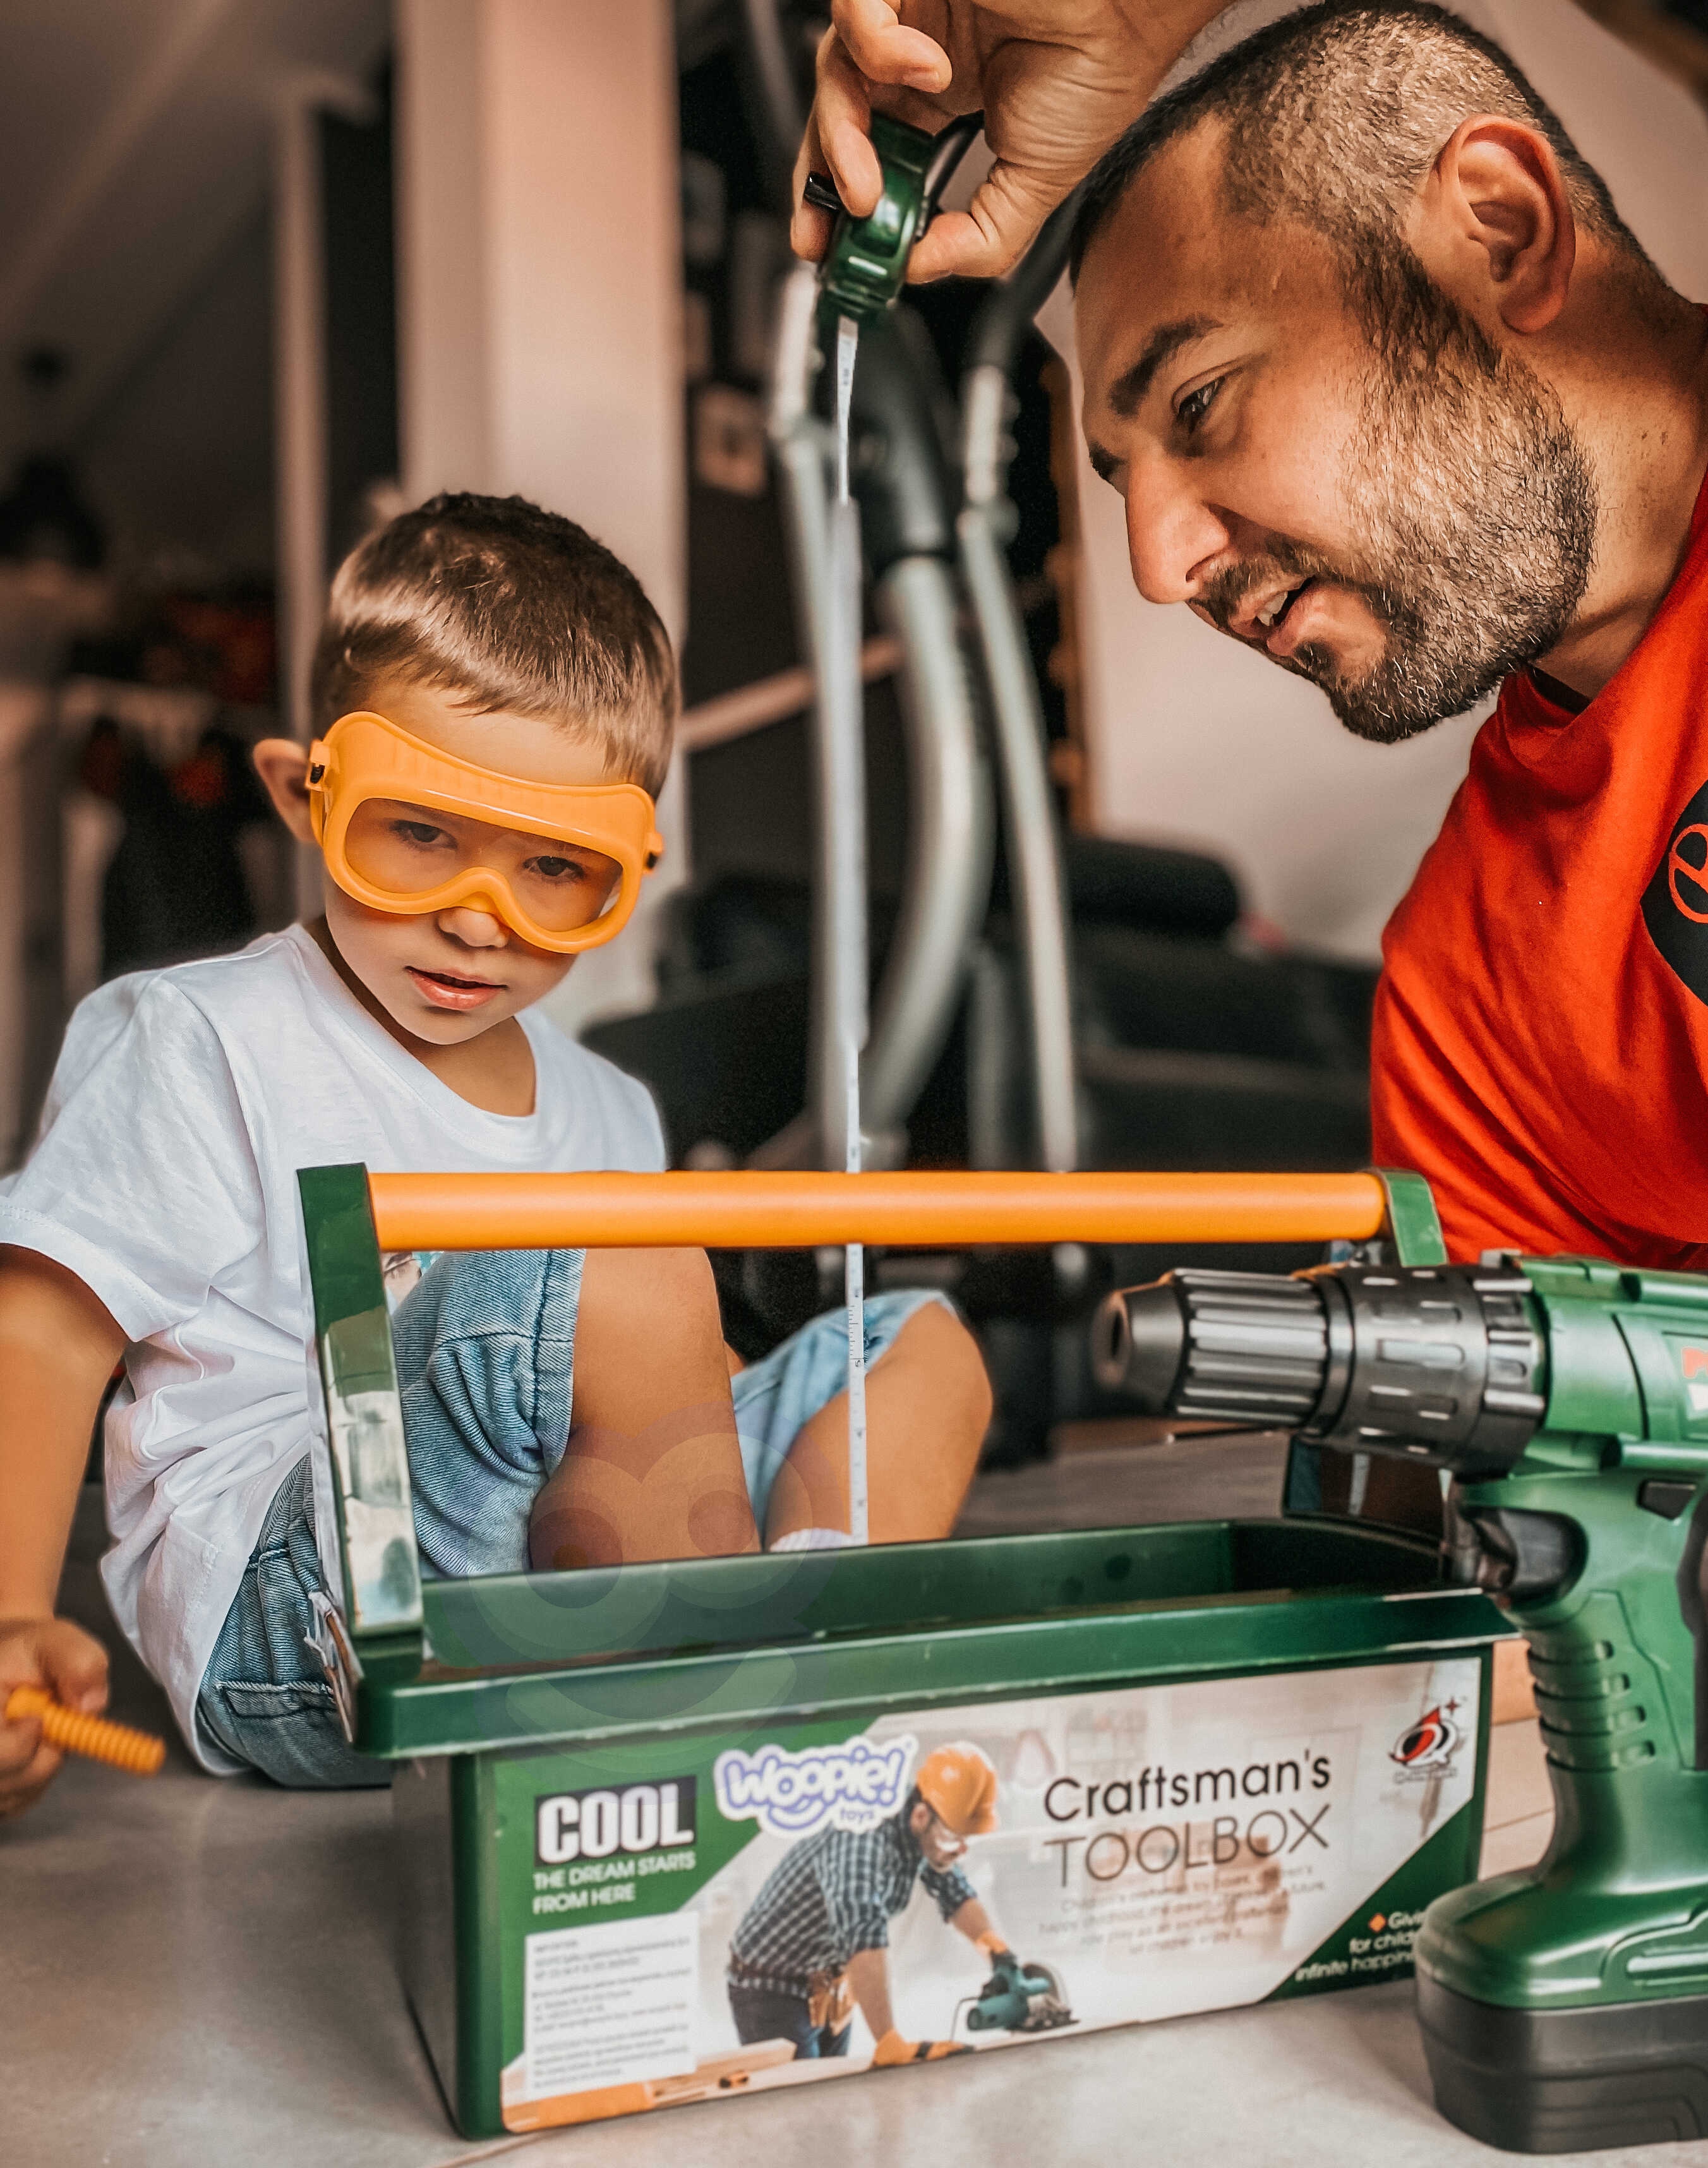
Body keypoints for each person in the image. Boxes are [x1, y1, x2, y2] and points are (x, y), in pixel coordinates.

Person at [796, 0, 1708, 1284]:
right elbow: (1484, 1464)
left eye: (1201, 402)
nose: (1161, 568)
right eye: (1121, 482)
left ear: (1500, 233)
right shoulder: (1483, 1008)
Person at [0, 493, 992, 1815]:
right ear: (305, 796)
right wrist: (9, 1613)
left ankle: (799, 1661)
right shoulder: (197, 1037)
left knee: (915, 1342)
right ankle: (696, 1763)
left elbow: (651, 1389)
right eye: (420, 836)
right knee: (626, 1265)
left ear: (626, 867)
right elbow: (45, 1331)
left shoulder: (607, 1105)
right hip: (311, 1615)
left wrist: (754, 1454)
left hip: (539, 1565)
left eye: (552, 871)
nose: (479, 921)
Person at [727, 1742, 1011, 2063]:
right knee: (802, 2107)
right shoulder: (861, 1838)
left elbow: (954, 1892)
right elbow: (862, 1933)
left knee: (834, 2100)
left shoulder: (923, 1824)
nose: (960, 1851)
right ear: (921, 1816)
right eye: (952, 1838)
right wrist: (889, 2041)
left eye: (967, 1841)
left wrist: (998, 1952)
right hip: (770, 1989)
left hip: (829, 1987)